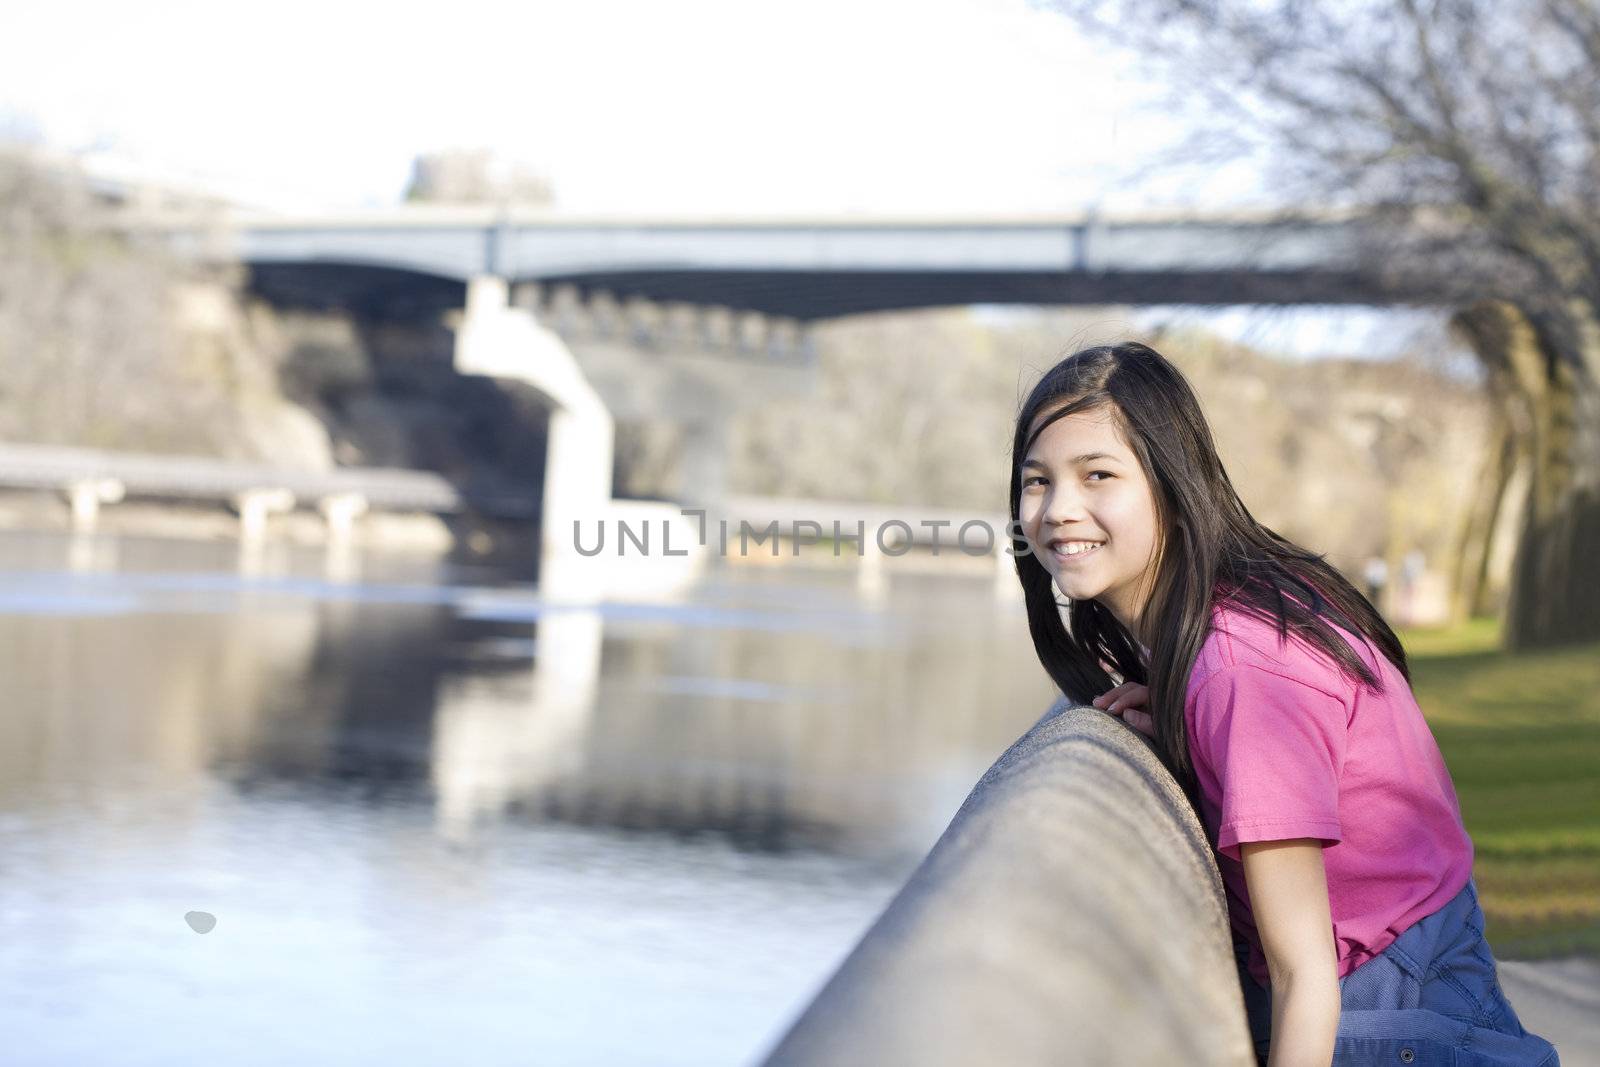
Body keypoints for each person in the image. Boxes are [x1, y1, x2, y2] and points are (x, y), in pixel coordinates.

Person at [1006, 341, 1560, 1066]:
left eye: (1098, 475)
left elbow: (1307, 979)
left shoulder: (1244, 667)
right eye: (1037, 481)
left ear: (1172, 486)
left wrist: (1212, 710)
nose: (1058, 509)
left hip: (1384, 998)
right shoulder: (1230, 623)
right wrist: (1183, 722)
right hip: (1416, 945)